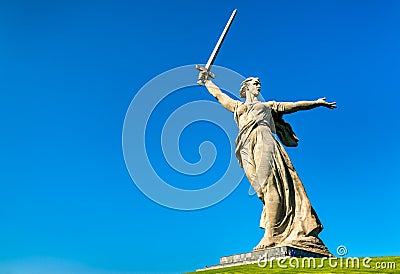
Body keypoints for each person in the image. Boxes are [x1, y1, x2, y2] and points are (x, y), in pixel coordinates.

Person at [199, 73, 336, 256]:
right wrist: (207, 81)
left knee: (269, 186)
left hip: (264, 139)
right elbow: (219, 96)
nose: (259, 86)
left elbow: (294, 106)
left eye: (259, 84)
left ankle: (270, 235)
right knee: (261, 191)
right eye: (255, 83)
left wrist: (316, 102)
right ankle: (278, 228)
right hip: (245, 145)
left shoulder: (267, 106)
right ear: (246, 87)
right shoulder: (238, 106)